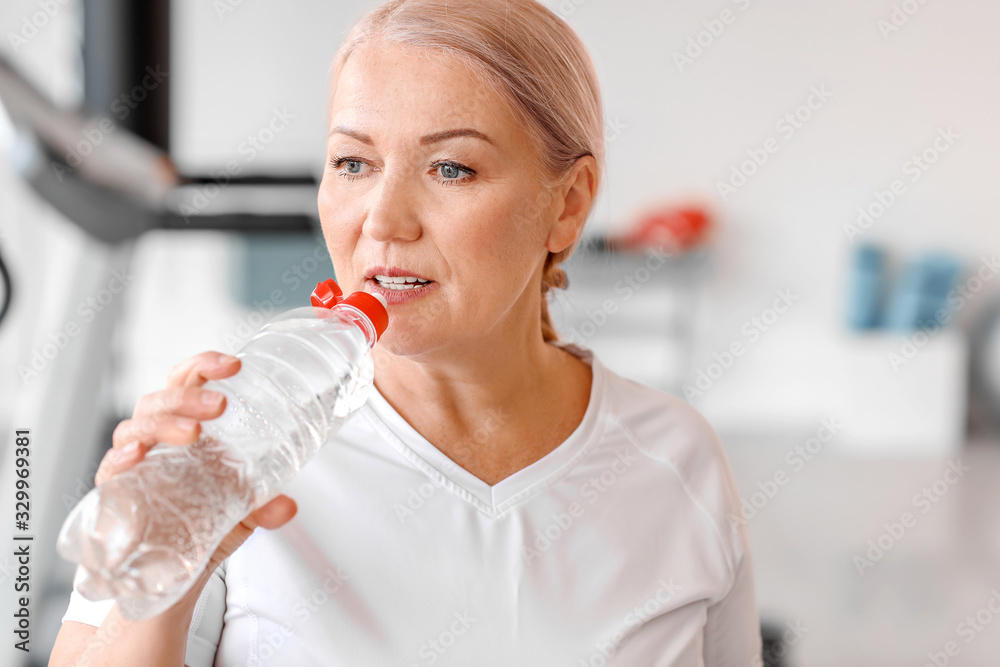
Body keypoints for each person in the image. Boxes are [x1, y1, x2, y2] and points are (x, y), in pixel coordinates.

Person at [49, 0, 762, 664]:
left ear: (567, 206)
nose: (383, 220)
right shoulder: (224, 444)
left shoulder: (676, 460)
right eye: (353, 163)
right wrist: (171, 566)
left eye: (451, 168)